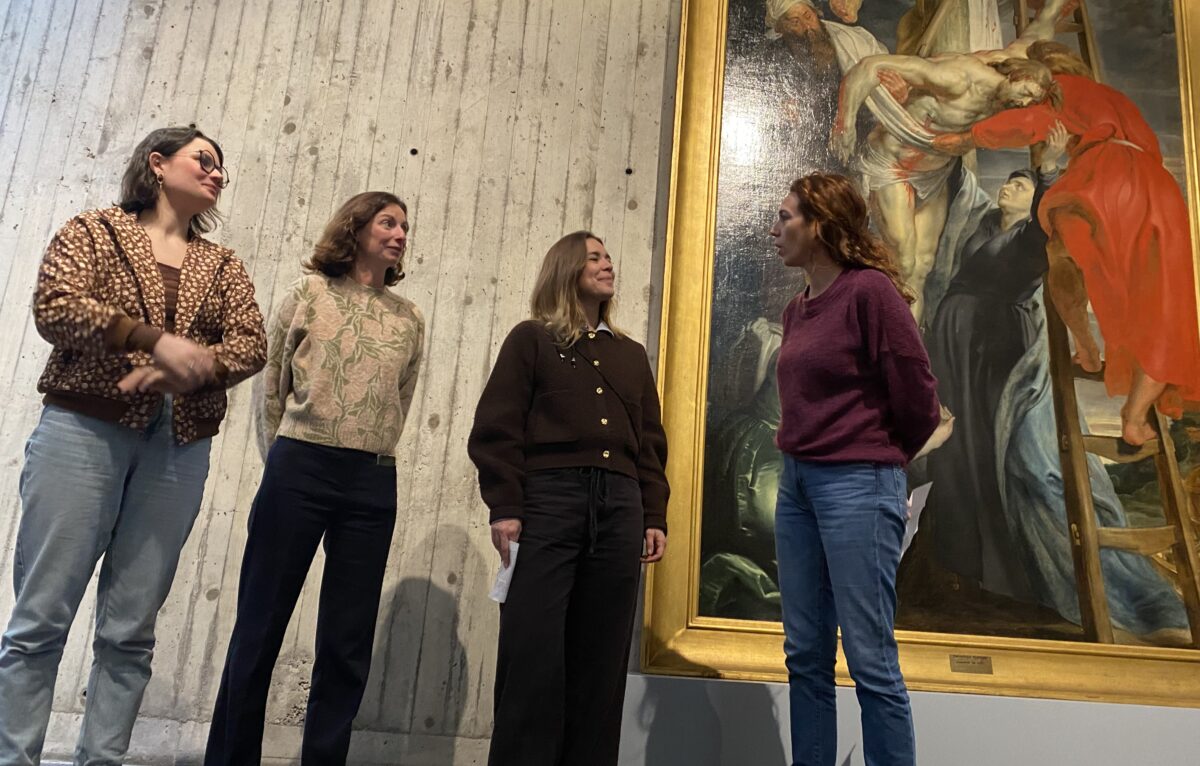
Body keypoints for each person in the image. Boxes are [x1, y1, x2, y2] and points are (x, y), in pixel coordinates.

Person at [0, 125, 266, 765]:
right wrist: (149, 340)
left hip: (176, 447)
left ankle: (102, 759)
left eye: (222, 168)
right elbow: (55, 305)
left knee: (130, 631)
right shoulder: (94, 231)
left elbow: (252, 342)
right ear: (157, 162)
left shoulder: (222, 263)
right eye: (204, 160)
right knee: (40, 621)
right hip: (82, 430)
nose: (217, 174)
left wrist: (197, 364)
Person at [204, 192, 425, 765]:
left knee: (347, 640)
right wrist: (284, 457)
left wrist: (368, 448)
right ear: (355, 228)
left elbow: (400, 399)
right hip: (300, 465)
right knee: (260, 622)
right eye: (388, 222)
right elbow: (271, 388)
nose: (401, 233)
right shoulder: (307, 294)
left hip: (372, 479)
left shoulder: (408, 318)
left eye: (405, 226)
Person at [933, 40, 1200, 447]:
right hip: (1158, 191)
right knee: (1163, 303)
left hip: (1106, 178)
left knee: (1060, 256)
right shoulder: (1113, 98)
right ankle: (1134, 414)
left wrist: (968, 137)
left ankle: (1088, 348)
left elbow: (1032, 124)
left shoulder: (1060, 87)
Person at [468, 231, 669, 766]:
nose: (608, 264)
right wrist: (506, 507)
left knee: (601, 663)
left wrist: (653, 513)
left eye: (609, 256)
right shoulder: (531, 340)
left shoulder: (630, 355)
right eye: (595, 256)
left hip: (621, 505)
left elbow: (650, 443)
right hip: (549, 503)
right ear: (566, 268)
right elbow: (497, 427)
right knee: (532, 656)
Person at [769, 173, 944, 766]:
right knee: (806, 656)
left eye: (787, 217)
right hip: (796, 486)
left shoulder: (869, 292)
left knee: (870, 657)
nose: (776, 228)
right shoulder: (798, 309)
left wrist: (880, 458)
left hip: (857, 485)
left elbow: (919, 395)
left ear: (821, 226)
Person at [830, 0, 1069, 322]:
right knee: (903, 259)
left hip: (935, 171)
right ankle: (876, 329)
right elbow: (869, 67)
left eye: (1030, 100)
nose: (1023, 103)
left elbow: (1044, 23)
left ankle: (908, 346)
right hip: (893, 165)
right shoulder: (957, 78)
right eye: (1023, 94)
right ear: (1014, 76)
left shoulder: (1024, 66)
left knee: (924, 266)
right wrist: (844, 124)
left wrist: (1053, 5)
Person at [925, 125, 1067, 600]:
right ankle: (957, 561)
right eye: (1007, 180)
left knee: (989, 448)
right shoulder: (983, 225)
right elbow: (960, 193)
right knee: (954, 447)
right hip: (954, 345)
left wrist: (1048, 173)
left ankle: (1001, 572)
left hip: (992, 348)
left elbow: (1051, 221)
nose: (1008, 186)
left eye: (1020, 185)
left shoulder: (1032, 239)